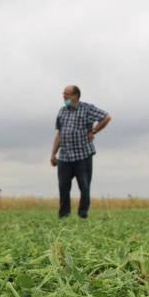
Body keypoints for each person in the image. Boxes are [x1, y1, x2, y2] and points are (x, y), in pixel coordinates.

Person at [50, 85, 111, 218]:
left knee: (84, 187)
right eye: (63, 94)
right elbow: (60, 134)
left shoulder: (87, 109)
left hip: (82, 155)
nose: (64, 96)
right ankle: (64, 215)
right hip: (65, 156)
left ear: (75, 96)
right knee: (63, 187)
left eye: (66, 94)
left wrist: (94, 130)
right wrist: (53, 154)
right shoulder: (62, 111)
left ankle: (82, 214)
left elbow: (106, 117)